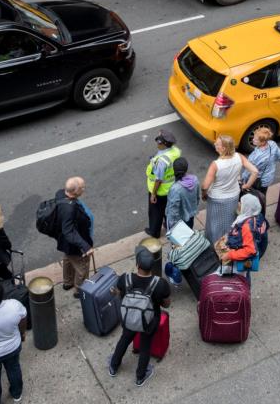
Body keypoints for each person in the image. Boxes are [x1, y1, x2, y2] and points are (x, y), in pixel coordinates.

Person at [107, 247, 171, 388]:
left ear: (137, 265)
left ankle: (113, 366)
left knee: (125, 339)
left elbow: (119, 293)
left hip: (129, 319)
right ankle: (140, 377)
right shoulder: (160, 284)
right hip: (149, 322)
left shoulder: (125, 278)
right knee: (145, 345)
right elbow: (167, 304)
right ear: (152, 267)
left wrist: (116, 292)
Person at [202, 135, 258, 244]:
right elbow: (255, 171)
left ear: (223, 148)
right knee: (229, 221)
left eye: (217, 144)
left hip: (216, 198)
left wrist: (204, 194)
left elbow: (205, 186)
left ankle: (213, 243)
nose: (215, 144)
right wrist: (247, 185)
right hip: (233, 195)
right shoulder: (239, 157)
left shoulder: (216, 165)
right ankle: (228, 241)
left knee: (214, 222)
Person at [54, 176, 95, 295]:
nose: (84, 189)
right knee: (82, 266)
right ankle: (79, 290)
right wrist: (86, 247)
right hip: (77, 244)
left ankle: (67, 283)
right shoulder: (71, 210)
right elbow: (69, 231)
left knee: (67, 259)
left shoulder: (60, 194)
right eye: (83, 187)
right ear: (76, 192)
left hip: (65, 243)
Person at [220, 194, 267, 285]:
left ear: (247, 207)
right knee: (244, 274)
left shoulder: (247, 227)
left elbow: (250, 250)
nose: (238, 204)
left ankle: (243, 294)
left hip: (241, 258)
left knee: (242, 277)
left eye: (241, 203)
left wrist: (230, 255)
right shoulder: (253, 216)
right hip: (242, 256)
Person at [145, 129, 181, 238]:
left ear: (163, 144)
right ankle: (167, 224)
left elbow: (158, 180)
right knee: (167, 209)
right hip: (171, 187)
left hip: (160, 191)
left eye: (159, 142)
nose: (157, 143)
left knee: (155, 213)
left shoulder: (161, 161)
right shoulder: (175, 151)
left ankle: (154, 232)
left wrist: (153, 194)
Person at [243, 128, 280, 214]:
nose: (253, 140)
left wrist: (245, 182)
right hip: (267, 179)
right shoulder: (272, 144)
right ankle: (262, 216)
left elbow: (249, 171)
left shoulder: (257, 157)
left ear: (263, 142)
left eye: (255, 139)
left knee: (254, 199)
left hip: (257, 182)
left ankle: (255, 216)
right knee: (262, 197)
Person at [165, 157, 199, 232]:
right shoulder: (195, 180)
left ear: (174, 170)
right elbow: (197, 198)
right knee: (188, 237)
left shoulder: (175, 189)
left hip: (179, 222)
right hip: (190, 216)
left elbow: (173, 211)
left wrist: (172, 226)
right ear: (186, 169)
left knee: (178, 242)